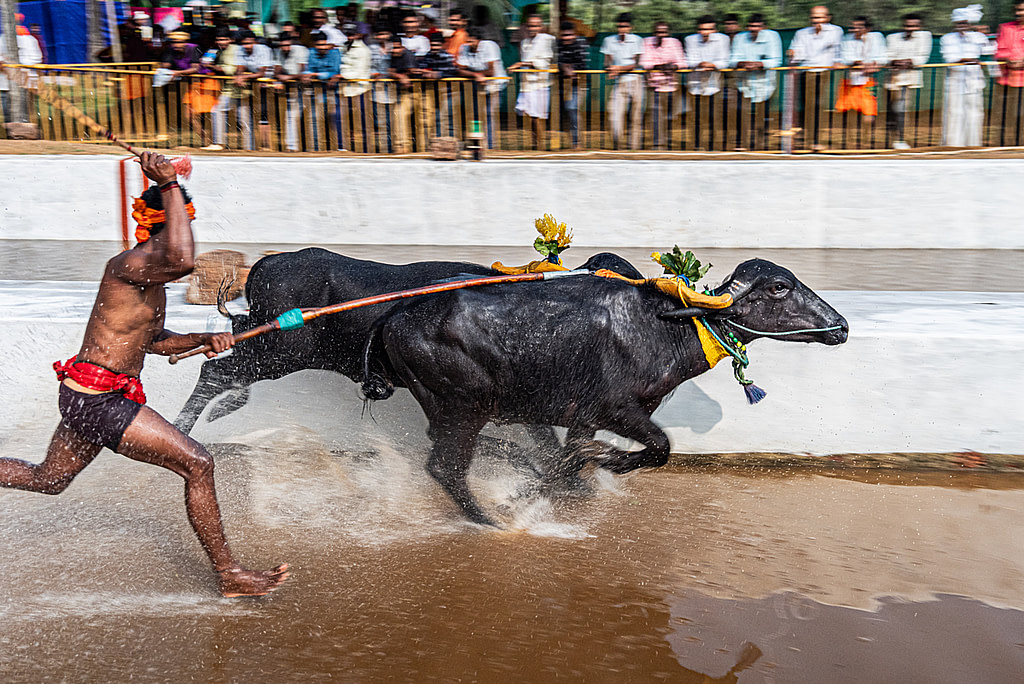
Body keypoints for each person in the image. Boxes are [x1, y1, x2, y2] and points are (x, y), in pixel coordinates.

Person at [0, 152, 290, 598]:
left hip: (89, 395)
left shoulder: (150, 279)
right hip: (99, 399)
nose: (189, 235)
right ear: (167, 225)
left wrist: (201, 338)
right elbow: (184, 261)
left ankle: (230, 574)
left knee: (49, 480)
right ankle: (229, 574)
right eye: (185, 224)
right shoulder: (130, 265)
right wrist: (169, 183)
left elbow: (153, 341)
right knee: (198, 463)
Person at [788, 6, 843, 149]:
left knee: (817, 105)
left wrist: (837, 62)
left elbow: (837, 50)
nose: (816, 21)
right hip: (806, 71)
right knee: (807, 105)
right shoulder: (802, 33)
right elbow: (798, 54)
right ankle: (808, 138)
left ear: (827, 18)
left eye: (820, 17)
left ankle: (815, 139)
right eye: (814, 17)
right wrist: (793, 54)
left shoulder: (836, 31)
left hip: (824, 71)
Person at [209, 31, 272, 151]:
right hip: (245, 87)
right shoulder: (240, 49)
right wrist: (239, 76)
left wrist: (243, 77)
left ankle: (251, 148)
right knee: (221, 111)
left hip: (266, 85)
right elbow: (240, 67)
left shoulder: (263, 50)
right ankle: (219, 143)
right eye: (244, 43)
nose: (246, 46)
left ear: (255, 42)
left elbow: (262, 72)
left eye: (249, 43)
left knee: (252, 119)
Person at [941, 5, 992, 147]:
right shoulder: (947, 38)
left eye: (965, 22)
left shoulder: (978, 37)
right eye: (959, 23)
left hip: (974, 80)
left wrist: (985, 36)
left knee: (974, 112)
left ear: (970, 23)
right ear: (955, 23)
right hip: (955, 81)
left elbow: (989, 51)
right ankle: (952, 145)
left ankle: (973, 144)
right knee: (954, 112)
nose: (962, 25)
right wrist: (968, 60)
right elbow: (949, 58)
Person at [729, 13, 782, 149]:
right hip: (744, 82)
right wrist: (742, 64)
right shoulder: (740, 38)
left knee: (763, 115)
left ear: (764, 27)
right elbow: (732, 60)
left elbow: (776, 61)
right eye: (751, 26)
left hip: (765, 83)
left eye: (757, 26)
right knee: (740, 112)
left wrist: (759, 64)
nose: (754, 29)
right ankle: (741, 142)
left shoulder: (773, 36)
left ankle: (760, 143)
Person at [885, 13, 932, 150]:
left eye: (914, 26)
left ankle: (900, 139)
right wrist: (895, 62)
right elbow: (887, 56)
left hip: (909, 79)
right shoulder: (892, 38)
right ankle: (891, 139)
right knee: (891, 111)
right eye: (907, 26)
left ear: (920, 26)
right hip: (892, 78)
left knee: (902, 110)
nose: (910, 29)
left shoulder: (925, 37)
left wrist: (909, 61)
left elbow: (922, 57)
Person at [456, 25, 507, 149]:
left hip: (494, 86)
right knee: (475, 115)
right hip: (476, 85)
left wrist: (477, 74)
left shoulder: (490, 46)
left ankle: (490, 146)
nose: (468, 44)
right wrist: (476, 75)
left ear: (479, 40)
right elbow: (460, 70)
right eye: (467, 41)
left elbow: (491, 71)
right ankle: (476, 144)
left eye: (471, 41)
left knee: (489, 114)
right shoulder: (464, 47)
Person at [510, 14, 555, 149]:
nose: (532, 29)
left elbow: (544, 63)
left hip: (540, 83)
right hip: (527, 83)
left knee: (537, 116)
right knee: (527, 113)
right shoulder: (525, 42)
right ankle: (535, 142)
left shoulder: (547, 39)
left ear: (541, 27)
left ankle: (539, 144)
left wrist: (521, 64)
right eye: (529, 26)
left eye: (535, 26)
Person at [640, 20, 686, 149]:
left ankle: (667, 141)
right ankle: (658, 143)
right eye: (658, 32)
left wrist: (673, 66)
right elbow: (644, 62)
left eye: (664, 32)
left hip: (671, 84)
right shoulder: (646, 42)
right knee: (656, 116)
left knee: (670, 116)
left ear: (668, 33)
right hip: (654, 85)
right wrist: (659, 66)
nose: (661, 35)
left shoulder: (674, 43)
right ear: (654, 32)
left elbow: (682, 62)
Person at [601, 13, 643, 150]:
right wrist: (610, 69)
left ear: (631, 27)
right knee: (614, 115)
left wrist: (618, 68)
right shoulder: (609, 40)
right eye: (620, 26)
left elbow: (636, 63)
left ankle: (634, 149)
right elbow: (606, 62)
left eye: (625, 26)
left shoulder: (637, 40)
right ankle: (617, 147)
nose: (622, 29)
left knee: (636, 117)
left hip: (636, 80)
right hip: (619, 82)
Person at [836, 16, 886, 124]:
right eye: (854, 27)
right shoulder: (847, 38)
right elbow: (844, 57)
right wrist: (859, 63)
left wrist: (873, 63)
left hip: (869, 79)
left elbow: (883, 57)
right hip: (851, 79)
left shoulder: (876, 37)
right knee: (848, 110)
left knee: (869, 111)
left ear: (868, 28)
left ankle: (868, 132)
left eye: (859, 27)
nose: (856, 30)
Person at [273, 32, 309, 152]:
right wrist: (280, 77)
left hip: (305, 88)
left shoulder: (300, 50)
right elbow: (277, 70)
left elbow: (303, 72)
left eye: (287, 45)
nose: (285, 48)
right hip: (292, 88)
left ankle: (306, 147)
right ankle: (292, 146)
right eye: (283, 46)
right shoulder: (279, 52)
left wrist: (288, 77)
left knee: (307, 118)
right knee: (291, 116)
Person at [556, 20, 589, 149]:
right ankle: (569, 141)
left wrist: (568, 68)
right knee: (566, 111)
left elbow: (582, 65)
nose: (567, 38)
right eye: (564, 35)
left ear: (575, 34)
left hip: (579, 84)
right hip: (563, 84)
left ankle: (576, 142)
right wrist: (565, 68)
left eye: (569, 35)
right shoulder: (558, 44)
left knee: (572, 108)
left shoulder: (581, 44)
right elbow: (557, 62)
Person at [340, 22, 372, 151]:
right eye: (347, 34)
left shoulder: (363, 50)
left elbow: (358, 72)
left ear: (358, 35)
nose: (349, 37)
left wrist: (341, 75)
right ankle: (345, 148)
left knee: (362, 121)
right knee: (344, 119)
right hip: (346, 90)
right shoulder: (344, 47)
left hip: (360, 90)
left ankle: (366, 150)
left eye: (352, 34)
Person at [0, 24, 43, 123]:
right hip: (5, 84)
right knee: (8, 114)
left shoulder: (30, 40)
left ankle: (24, 129)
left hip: (25, 83)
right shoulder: (2, 40)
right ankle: (10, 130)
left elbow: (36, 58)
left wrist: (14, 66)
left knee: (25, 114)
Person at [995, 0, 1024, 142]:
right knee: (1007, 115)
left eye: (1022, 10)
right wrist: (1008, 59)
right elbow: (1000, 50)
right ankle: (1005, 145)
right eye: (1018, 10)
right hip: (1008, 81)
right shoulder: (1005, 28)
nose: (1020, 13)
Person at [684, 14, 730, 98]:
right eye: (702, 29)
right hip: (694, 86)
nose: (705, 32)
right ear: (698, 30)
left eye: (709, 29)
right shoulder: (690, 40)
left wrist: (712, 65)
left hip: (715, 86)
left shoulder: (723, 39)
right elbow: (689, 61)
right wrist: (701, 64)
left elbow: (724, 62)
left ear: (715, 30)